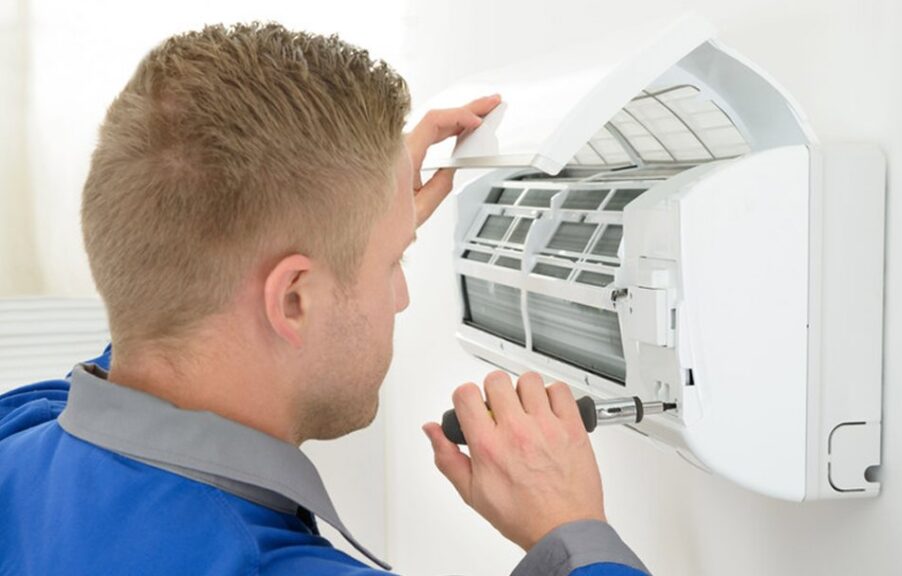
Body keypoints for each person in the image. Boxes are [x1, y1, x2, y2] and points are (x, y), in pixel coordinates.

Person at [0, 23, 649, 576]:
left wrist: (358, 213)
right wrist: (574, 529)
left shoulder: (20, 428)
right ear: (293, 302)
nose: (399, 297)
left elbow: (172, 315)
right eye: (393, 262)